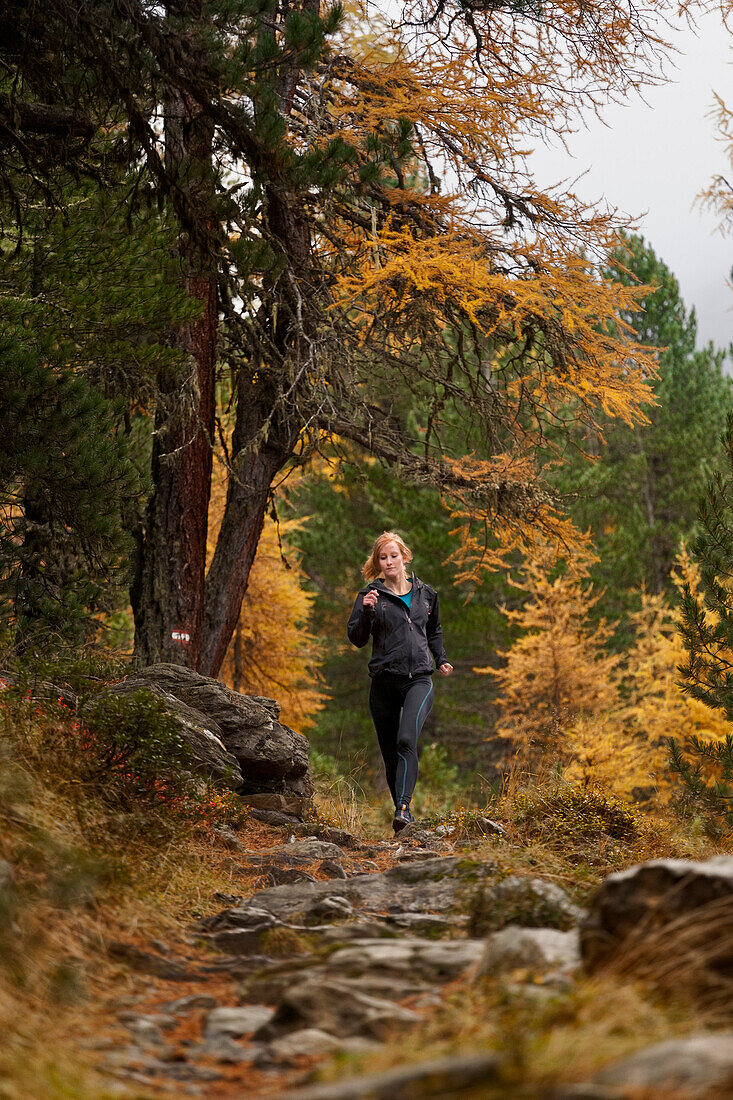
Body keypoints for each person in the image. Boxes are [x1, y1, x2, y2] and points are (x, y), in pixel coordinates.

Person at [347, 531, 453, 834]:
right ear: (377, 562)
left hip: (418, 678)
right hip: (382, 683)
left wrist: (441, 657)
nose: (389, 561)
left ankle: (403, 808)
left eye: (394, 555)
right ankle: (404, 824)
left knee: (407, 740)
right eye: (383, 557)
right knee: (390, 753)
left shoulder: (426, 593)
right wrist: (367, 612)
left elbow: (434, 629)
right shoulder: (370, 596)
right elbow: (356, 638)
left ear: (404, 557)